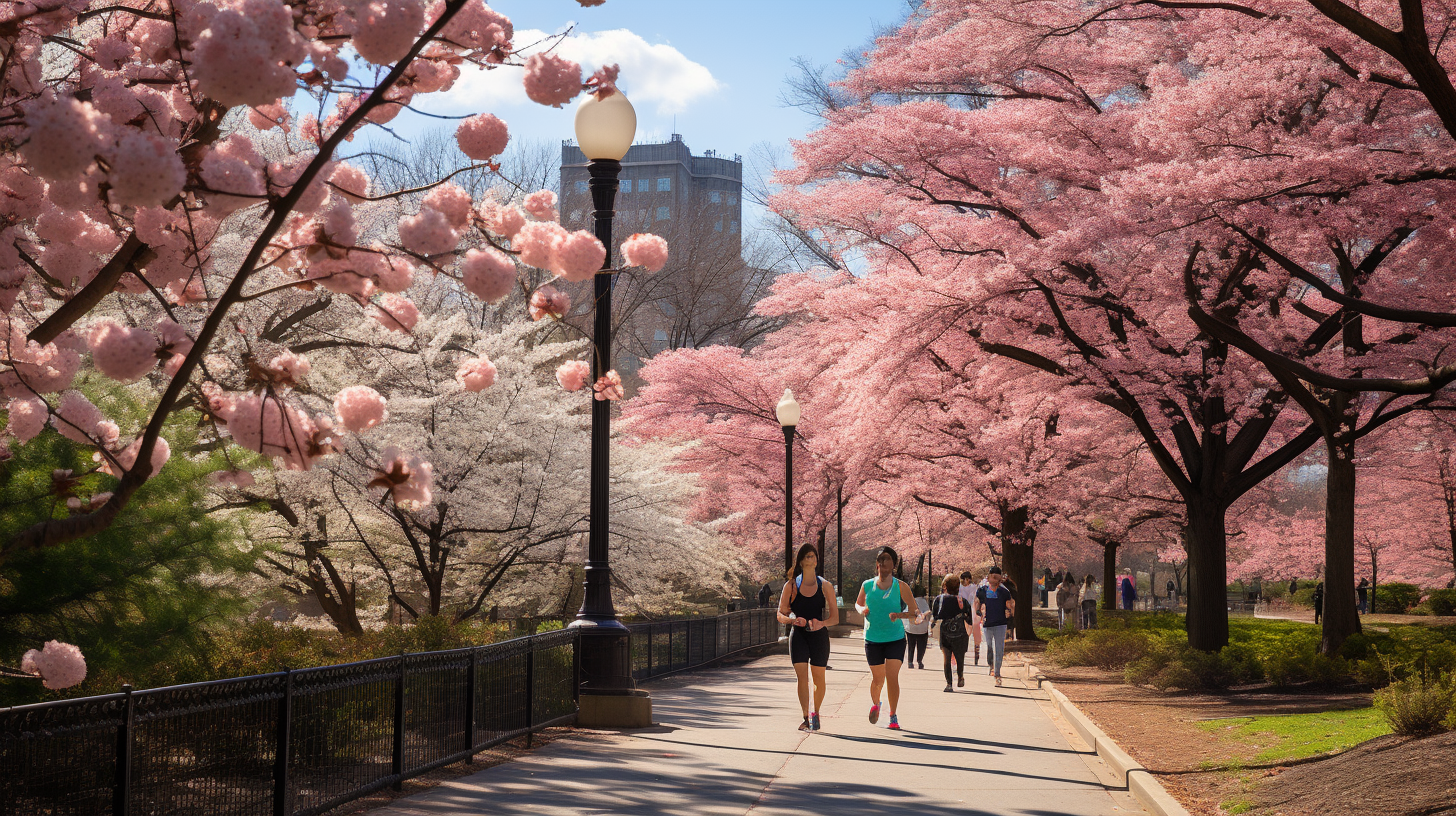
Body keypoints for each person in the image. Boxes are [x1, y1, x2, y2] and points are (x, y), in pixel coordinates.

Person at [855, 547, 923, 730]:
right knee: (878, 679)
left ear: (893, 564)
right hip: (873, 638)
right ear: (877, 564)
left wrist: (898, 615)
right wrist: (862, 610)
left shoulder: (901, 586)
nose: (884, 565)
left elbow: (915, 613)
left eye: (888, 561)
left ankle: (893, 716)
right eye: (881, 561)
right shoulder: (867, 585)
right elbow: (858, 603)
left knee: (892, 677)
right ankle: (876, 705)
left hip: (895, 638)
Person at [776, 544, 839, 732]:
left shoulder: (825, 585)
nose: (812, 559)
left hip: (819, 636)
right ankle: (805, 716)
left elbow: (835, 618)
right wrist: (793, 620)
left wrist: (822, 623)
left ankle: (816, 713)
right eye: (808, 556)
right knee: (802, 678)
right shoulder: (792, 585)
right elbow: (780, 613)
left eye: (814, 556)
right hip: (799, 636)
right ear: (802, 561)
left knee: (819, 678)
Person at [975, 566, 1015, 687]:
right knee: (989, 647)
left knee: (999, 649)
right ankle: (991, 665)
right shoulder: (983, 590)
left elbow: (1010, 604)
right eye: (993, 576)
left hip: (1001, 623)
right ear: (989, 576)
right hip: (987, 623)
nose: (995, 579)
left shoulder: (1004, 591)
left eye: (997, 577)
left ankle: (997, 673)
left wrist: (1010, 612)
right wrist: (978, 610)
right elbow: (977, 601)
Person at [931, 574, 971, 691]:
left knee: (947, 658)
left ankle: (949, 684)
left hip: (945, 632)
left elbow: (935, 615)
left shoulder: (939, 599)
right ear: (958, 587)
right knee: (960, 657)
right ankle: (960, 676)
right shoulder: (963, 601)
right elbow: (969, 619)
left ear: (944, 586)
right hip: (960, 632)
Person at [958, 570, 984, 665]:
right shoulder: (959, 588)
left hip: (971, 611)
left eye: (963, 579)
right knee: (963, 634)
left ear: (967, 579)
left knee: (975, 632)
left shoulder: (974, 588)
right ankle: (961, 653)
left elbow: (976, 600)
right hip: (964, 610)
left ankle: (976, 652)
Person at [905, 583, 931, 670]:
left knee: (911, 645)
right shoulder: (924, 602)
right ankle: (919, 661)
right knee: (921, 645)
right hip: (922, 629)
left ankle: (910, 661)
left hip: (911, 628)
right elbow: (928, 613)